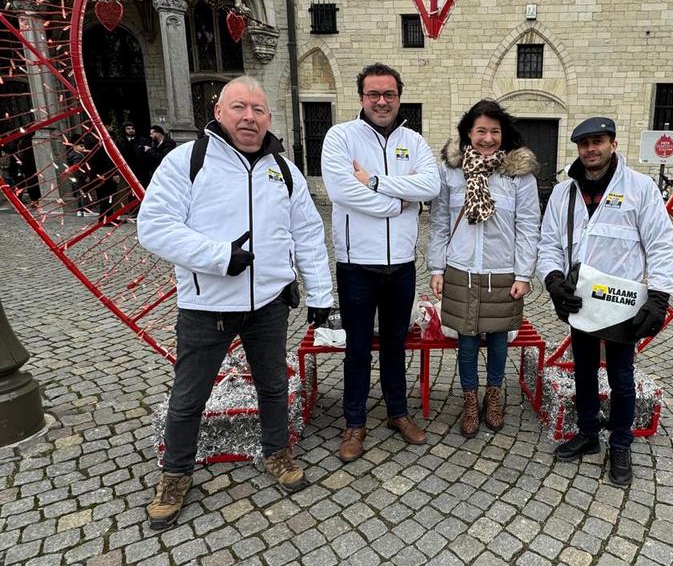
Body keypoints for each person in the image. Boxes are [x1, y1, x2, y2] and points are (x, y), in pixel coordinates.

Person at [137, 76, 333, 530]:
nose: (250, 117)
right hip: (207, 305)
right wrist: (219, 257)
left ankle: (276, 451)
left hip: (268, 302)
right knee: (189, 397)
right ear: (219, 111)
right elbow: (155, 226)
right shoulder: (186, 160)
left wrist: (321, 295)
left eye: (258, 110)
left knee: (272, 385)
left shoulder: (283, 170)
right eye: (240, 107)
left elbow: (306, 233)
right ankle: (175, 474)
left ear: (268, 118)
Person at [538, 116, 673, 487]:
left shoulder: (639, 188)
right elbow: (549, 243)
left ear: (612, 144)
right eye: (584, 144)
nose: (590, 150)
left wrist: (660, 296)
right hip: (581, 300)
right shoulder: (563, 193)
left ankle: (620, 444)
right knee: (583, 369)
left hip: (623, 302)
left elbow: (661, 243)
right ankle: (587, 434)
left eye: (597, 142)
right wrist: (553, 281)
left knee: (621, 377)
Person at [321, 62, 440, 462]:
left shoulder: (414, 140)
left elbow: (431, 186)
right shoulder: (341, 137)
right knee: (357, 348)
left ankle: (397, 413)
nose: (382, 101)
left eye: (389, 94)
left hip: (402, 265)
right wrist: (399, 203)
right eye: (374, 94)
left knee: (394, 345)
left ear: (399, 97)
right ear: (361, 98)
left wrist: (374, 182)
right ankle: (354, 423)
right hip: (357, 265)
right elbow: (341, 191)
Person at [427, 100, 540, 436]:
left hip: (501, 268)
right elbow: (438, 222)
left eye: (494, 131)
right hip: (461, 267)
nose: (488, 138)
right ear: (468, 133)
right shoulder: (451, 171)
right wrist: (436, 268)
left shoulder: (518, 175)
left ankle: (493, 397)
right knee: (466, 339)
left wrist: (523, 274)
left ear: (503, 134)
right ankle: (469, 400)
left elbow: (528, 225)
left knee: (499, 337)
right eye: (481, 131)